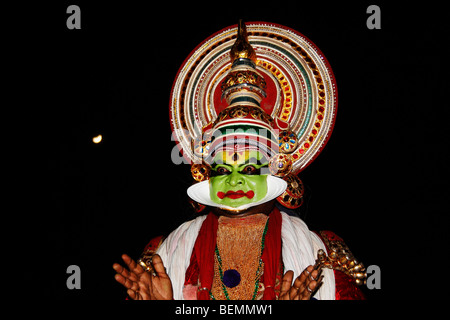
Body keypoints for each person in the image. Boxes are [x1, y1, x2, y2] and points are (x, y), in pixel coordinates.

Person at [113, 20, 366, 300]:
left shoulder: (322, 253)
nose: (234, 180)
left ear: (279, 169)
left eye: (248, 167)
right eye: (222, 169)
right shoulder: (165, 252)